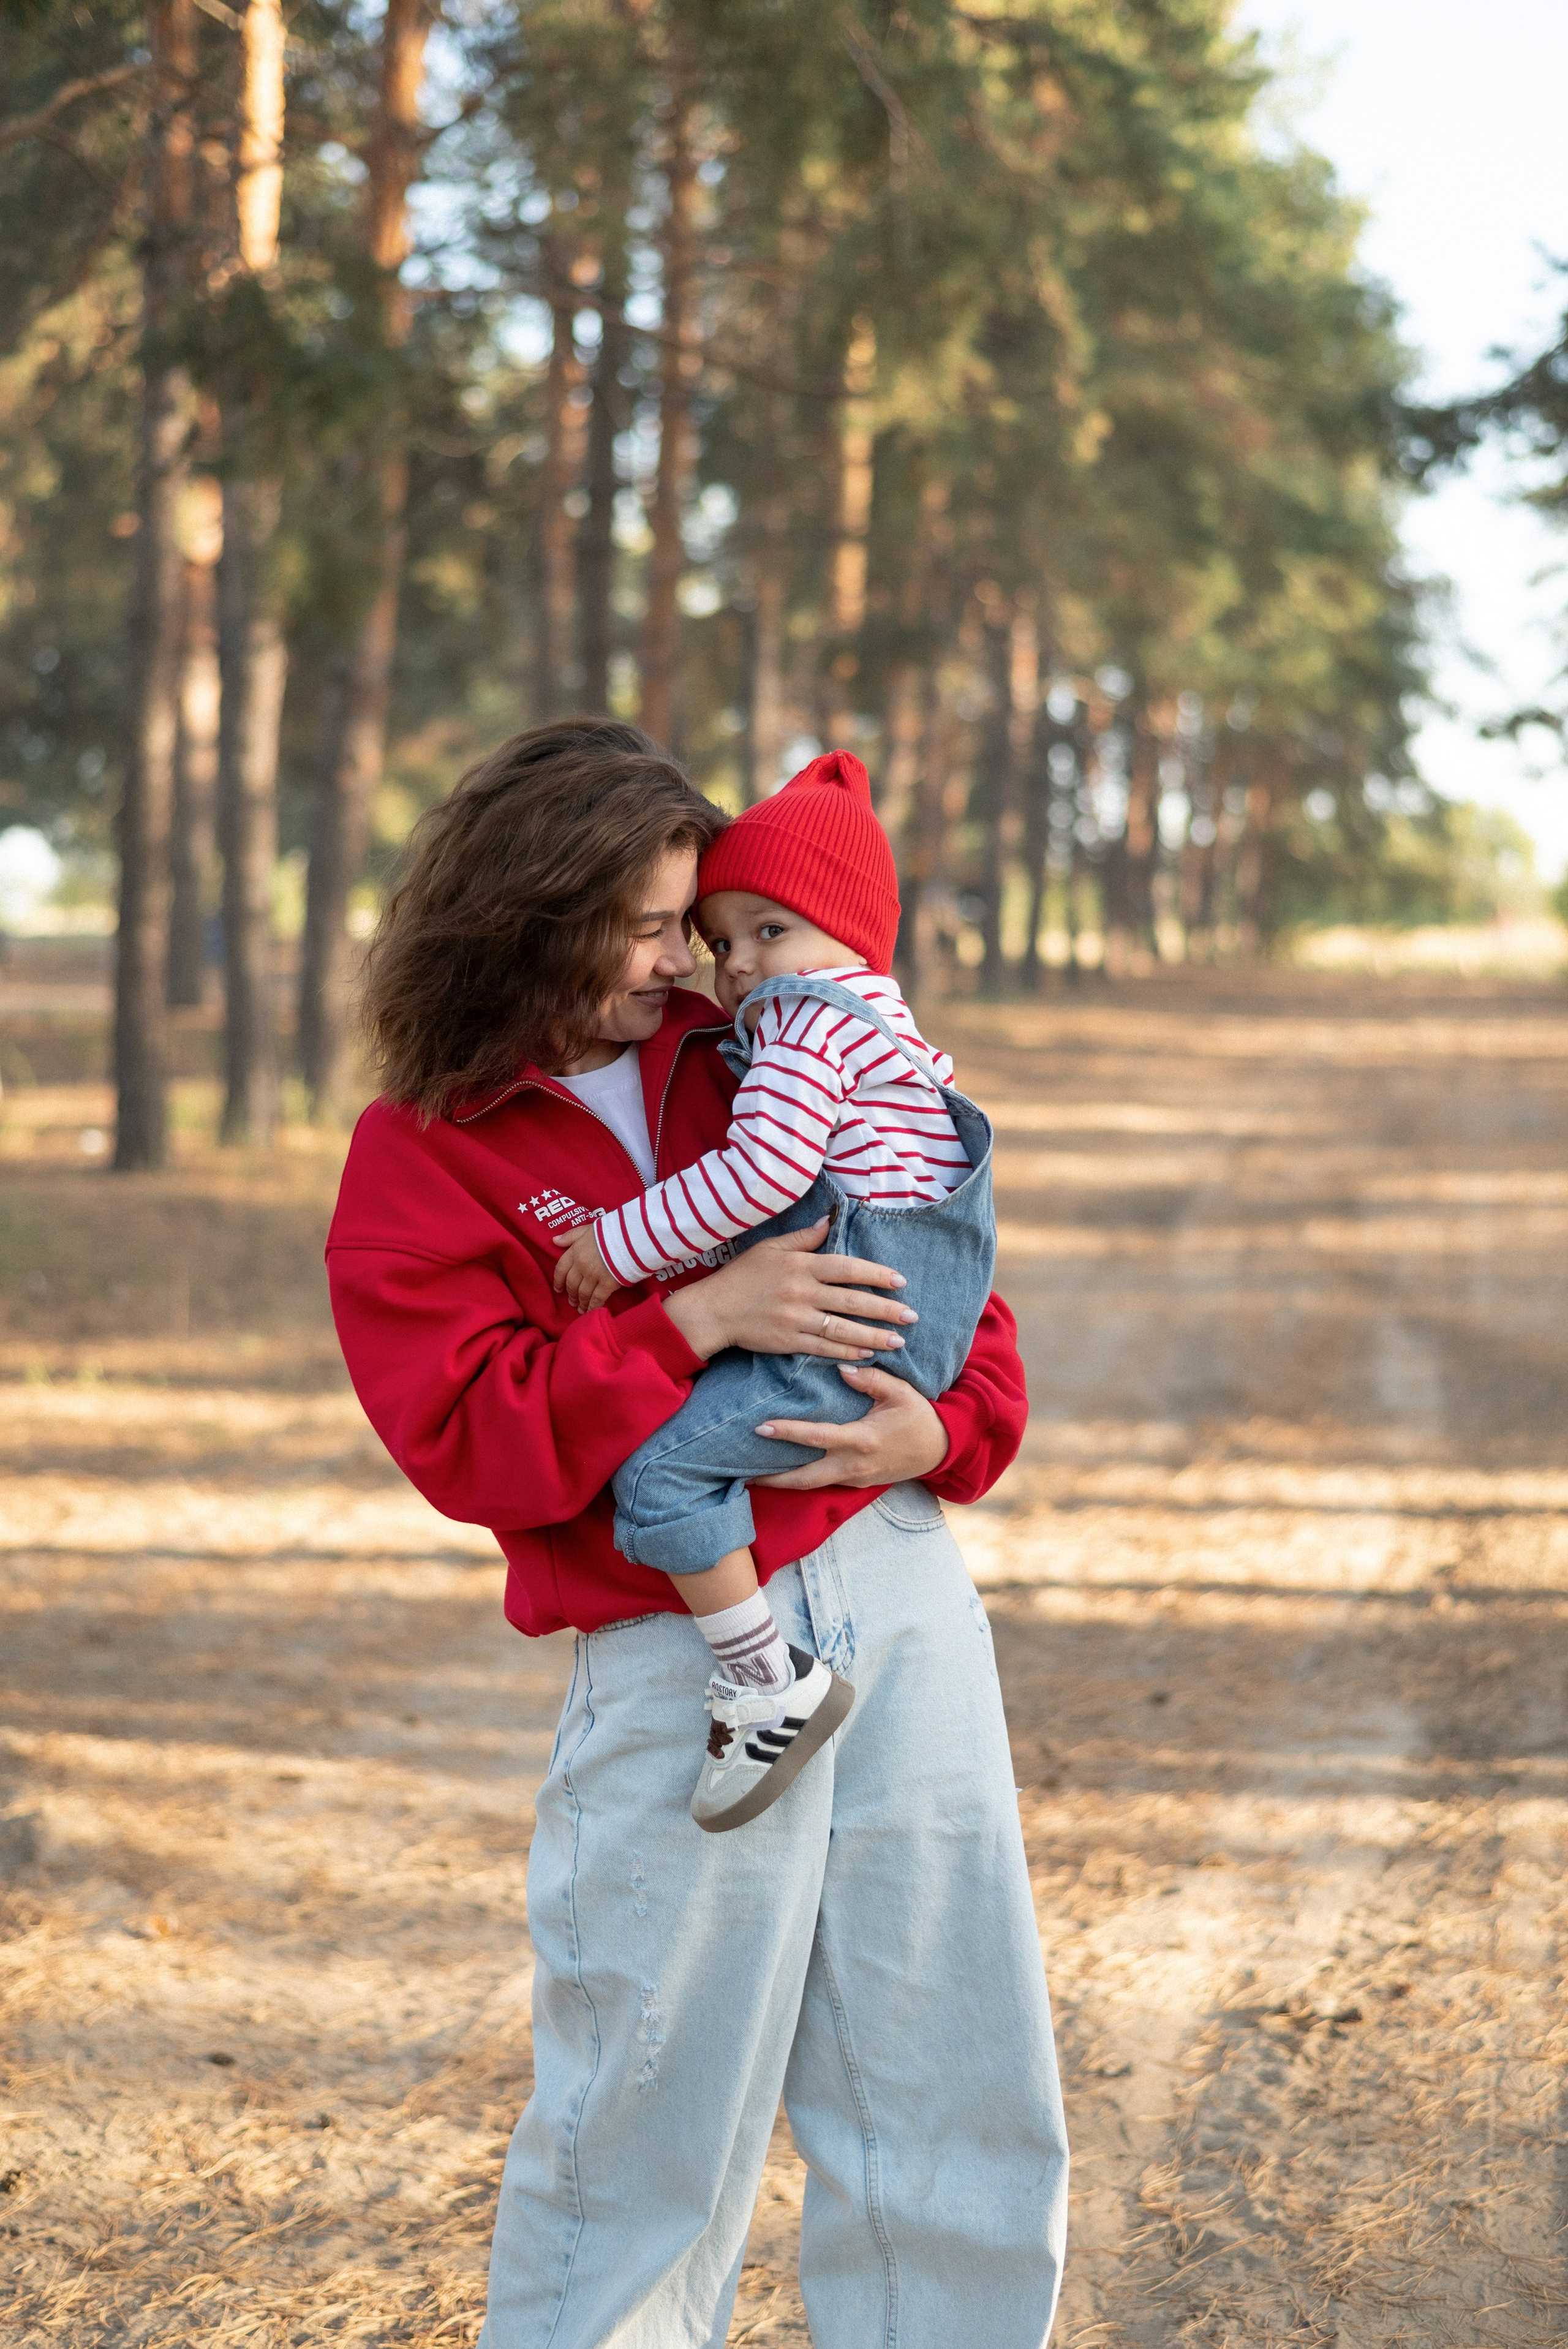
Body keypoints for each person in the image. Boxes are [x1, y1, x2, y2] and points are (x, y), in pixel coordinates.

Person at [327, 718, 1068, 2348]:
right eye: (653, 925)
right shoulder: (428, 1154)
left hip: (897, 1580)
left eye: (700, 923)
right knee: (645, 2132)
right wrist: (691, 1320)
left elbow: (952, 1274)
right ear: (531, 909)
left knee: (954, 2087)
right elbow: (471, 1433)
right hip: (682, 1647)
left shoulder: (758, 1047)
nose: (688, 963)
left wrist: (944, 1429)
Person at [552, 750, 997, 1835]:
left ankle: (763, 1681)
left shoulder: (805, 1022)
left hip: (836, 1358)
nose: (735, 966)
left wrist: (621, 1248)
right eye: (720, 940)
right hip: (902, 1343)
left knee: (657, 1478)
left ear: (845, 930)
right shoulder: (898, 1040)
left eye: (770, 930)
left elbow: (761, 1173)